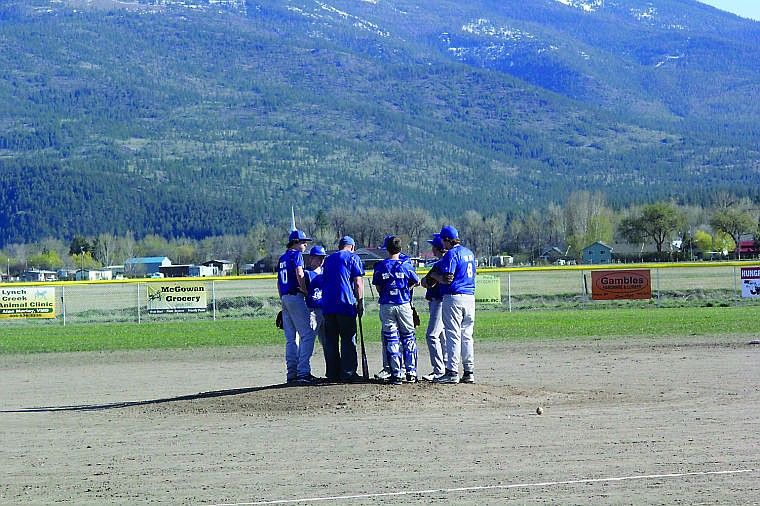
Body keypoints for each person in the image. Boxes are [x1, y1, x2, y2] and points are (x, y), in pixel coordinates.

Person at [430, 225, 476, 384]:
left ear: (447, 240)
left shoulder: (451, 254)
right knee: (467, 335)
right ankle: (469, 371)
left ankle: (451, 372)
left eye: (443, 240)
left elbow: (448, 279)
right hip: (470, 298)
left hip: (454, 298)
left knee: (453, 334)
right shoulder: (469, 253)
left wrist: (435, 275)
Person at [372, 235, 420, 384]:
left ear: (387, 249)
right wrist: (405, 288)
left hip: (387, 304)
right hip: (404, 303)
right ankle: (411, 372)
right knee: (408, 337)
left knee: (391, 338)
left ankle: (396, 373)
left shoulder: (381, 266)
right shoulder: (406, 264)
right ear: (400, 249)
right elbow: (416, 281)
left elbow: (378, 286)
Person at [277, 229, 319, 385]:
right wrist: (306, 291)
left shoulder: (282, 258)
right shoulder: (296, 255)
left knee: (291, 339)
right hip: (295, 296)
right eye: (303, 242)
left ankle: (292, 373)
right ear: (294, 242)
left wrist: (283, 299)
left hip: (286, 297)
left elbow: (278, 282)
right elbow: (300, 274)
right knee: (307, 334)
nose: (305, 244)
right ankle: (303, 372)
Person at [321, 236, 365, 383]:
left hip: (327, 304)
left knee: (331, 340)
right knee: (348, 338)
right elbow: (358, 283)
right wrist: (360, 302)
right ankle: (348, 372)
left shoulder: (328, 259)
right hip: (345, 303)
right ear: (352, 247)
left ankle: (333, 372)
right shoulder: (353, 258)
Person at [420, 233, 447, 381]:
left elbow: (426, 283)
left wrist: (426, 280)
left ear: (437, 248)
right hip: (442, 302)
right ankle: (445, 368)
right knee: (442, 336)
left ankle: (438, 370)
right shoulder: (447, 261)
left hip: (439, 302)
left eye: (433, 247)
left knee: (432, 335)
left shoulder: (439, 264)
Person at [305, 245, 328, 371]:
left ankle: (331, 369)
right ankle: (304, 370)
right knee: (309, 340)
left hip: (325, 311)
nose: (320, 261)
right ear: (311, 258)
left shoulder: (326, 272)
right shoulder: (307, 273)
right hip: (312, 311)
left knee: (327, 342)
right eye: (317, 258)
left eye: (322, 258)